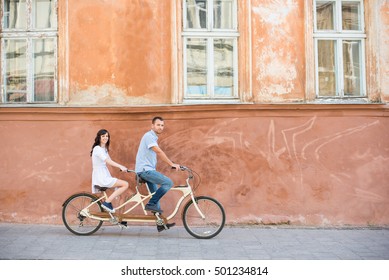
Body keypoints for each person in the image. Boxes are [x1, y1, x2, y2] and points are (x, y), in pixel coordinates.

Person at [135, 116, 180, 231]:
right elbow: (158, 151)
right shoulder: (149, 136)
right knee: (168, 183)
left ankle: (160, 223)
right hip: (145, 170)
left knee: (156, 194)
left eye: (162, 125)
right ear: (152, 126)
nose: (160, 127)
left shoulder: (153, 137)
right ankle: (151, 204)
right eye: (158, 125)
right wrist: (171, 164)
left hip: (148, 170)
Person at [91, 129, 129, 213]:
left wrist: (122, 168)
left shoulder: (104, 149)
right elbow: (107, 161)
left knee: (122, 194)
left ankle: (120, 217)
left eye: (107, 136)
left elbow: (110, 160)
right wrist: (120, 166)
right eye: (103, 136)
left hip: (104, 175)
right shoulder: (97, 148)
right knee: (125, 184)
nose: (105, 138)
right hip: (101, 176)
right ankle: (107, 203)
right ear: (99, 137)